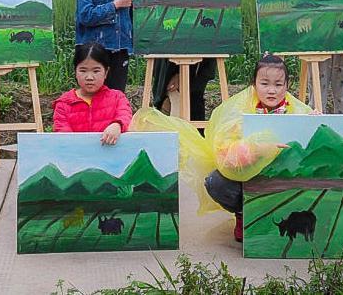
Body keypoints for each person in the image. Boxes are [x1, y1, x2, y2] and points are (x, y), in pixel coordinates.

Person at [134, 53, 313, 242]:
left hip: (285, 178)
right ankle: (243, 213)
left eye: (278, 85)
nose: (272, 90)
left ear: (287, 86)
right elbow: (225, 157)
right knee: (215, 182)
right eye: (264, 83)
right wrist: (257, 150)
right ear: (254, 84)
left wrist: (314, 122)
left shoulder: (298, 110)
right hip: (249, 175)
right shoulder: (237, 110)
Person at [52, 43, 133, 145]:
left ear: (106, 72)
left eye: (96, 71)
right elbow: (63, 137)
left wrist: (117, 125)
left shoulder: (118, 98)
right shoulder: (63, 104)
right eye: (83, 70)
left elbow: (125, 115)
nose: (89, 77)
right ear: (75, 72)